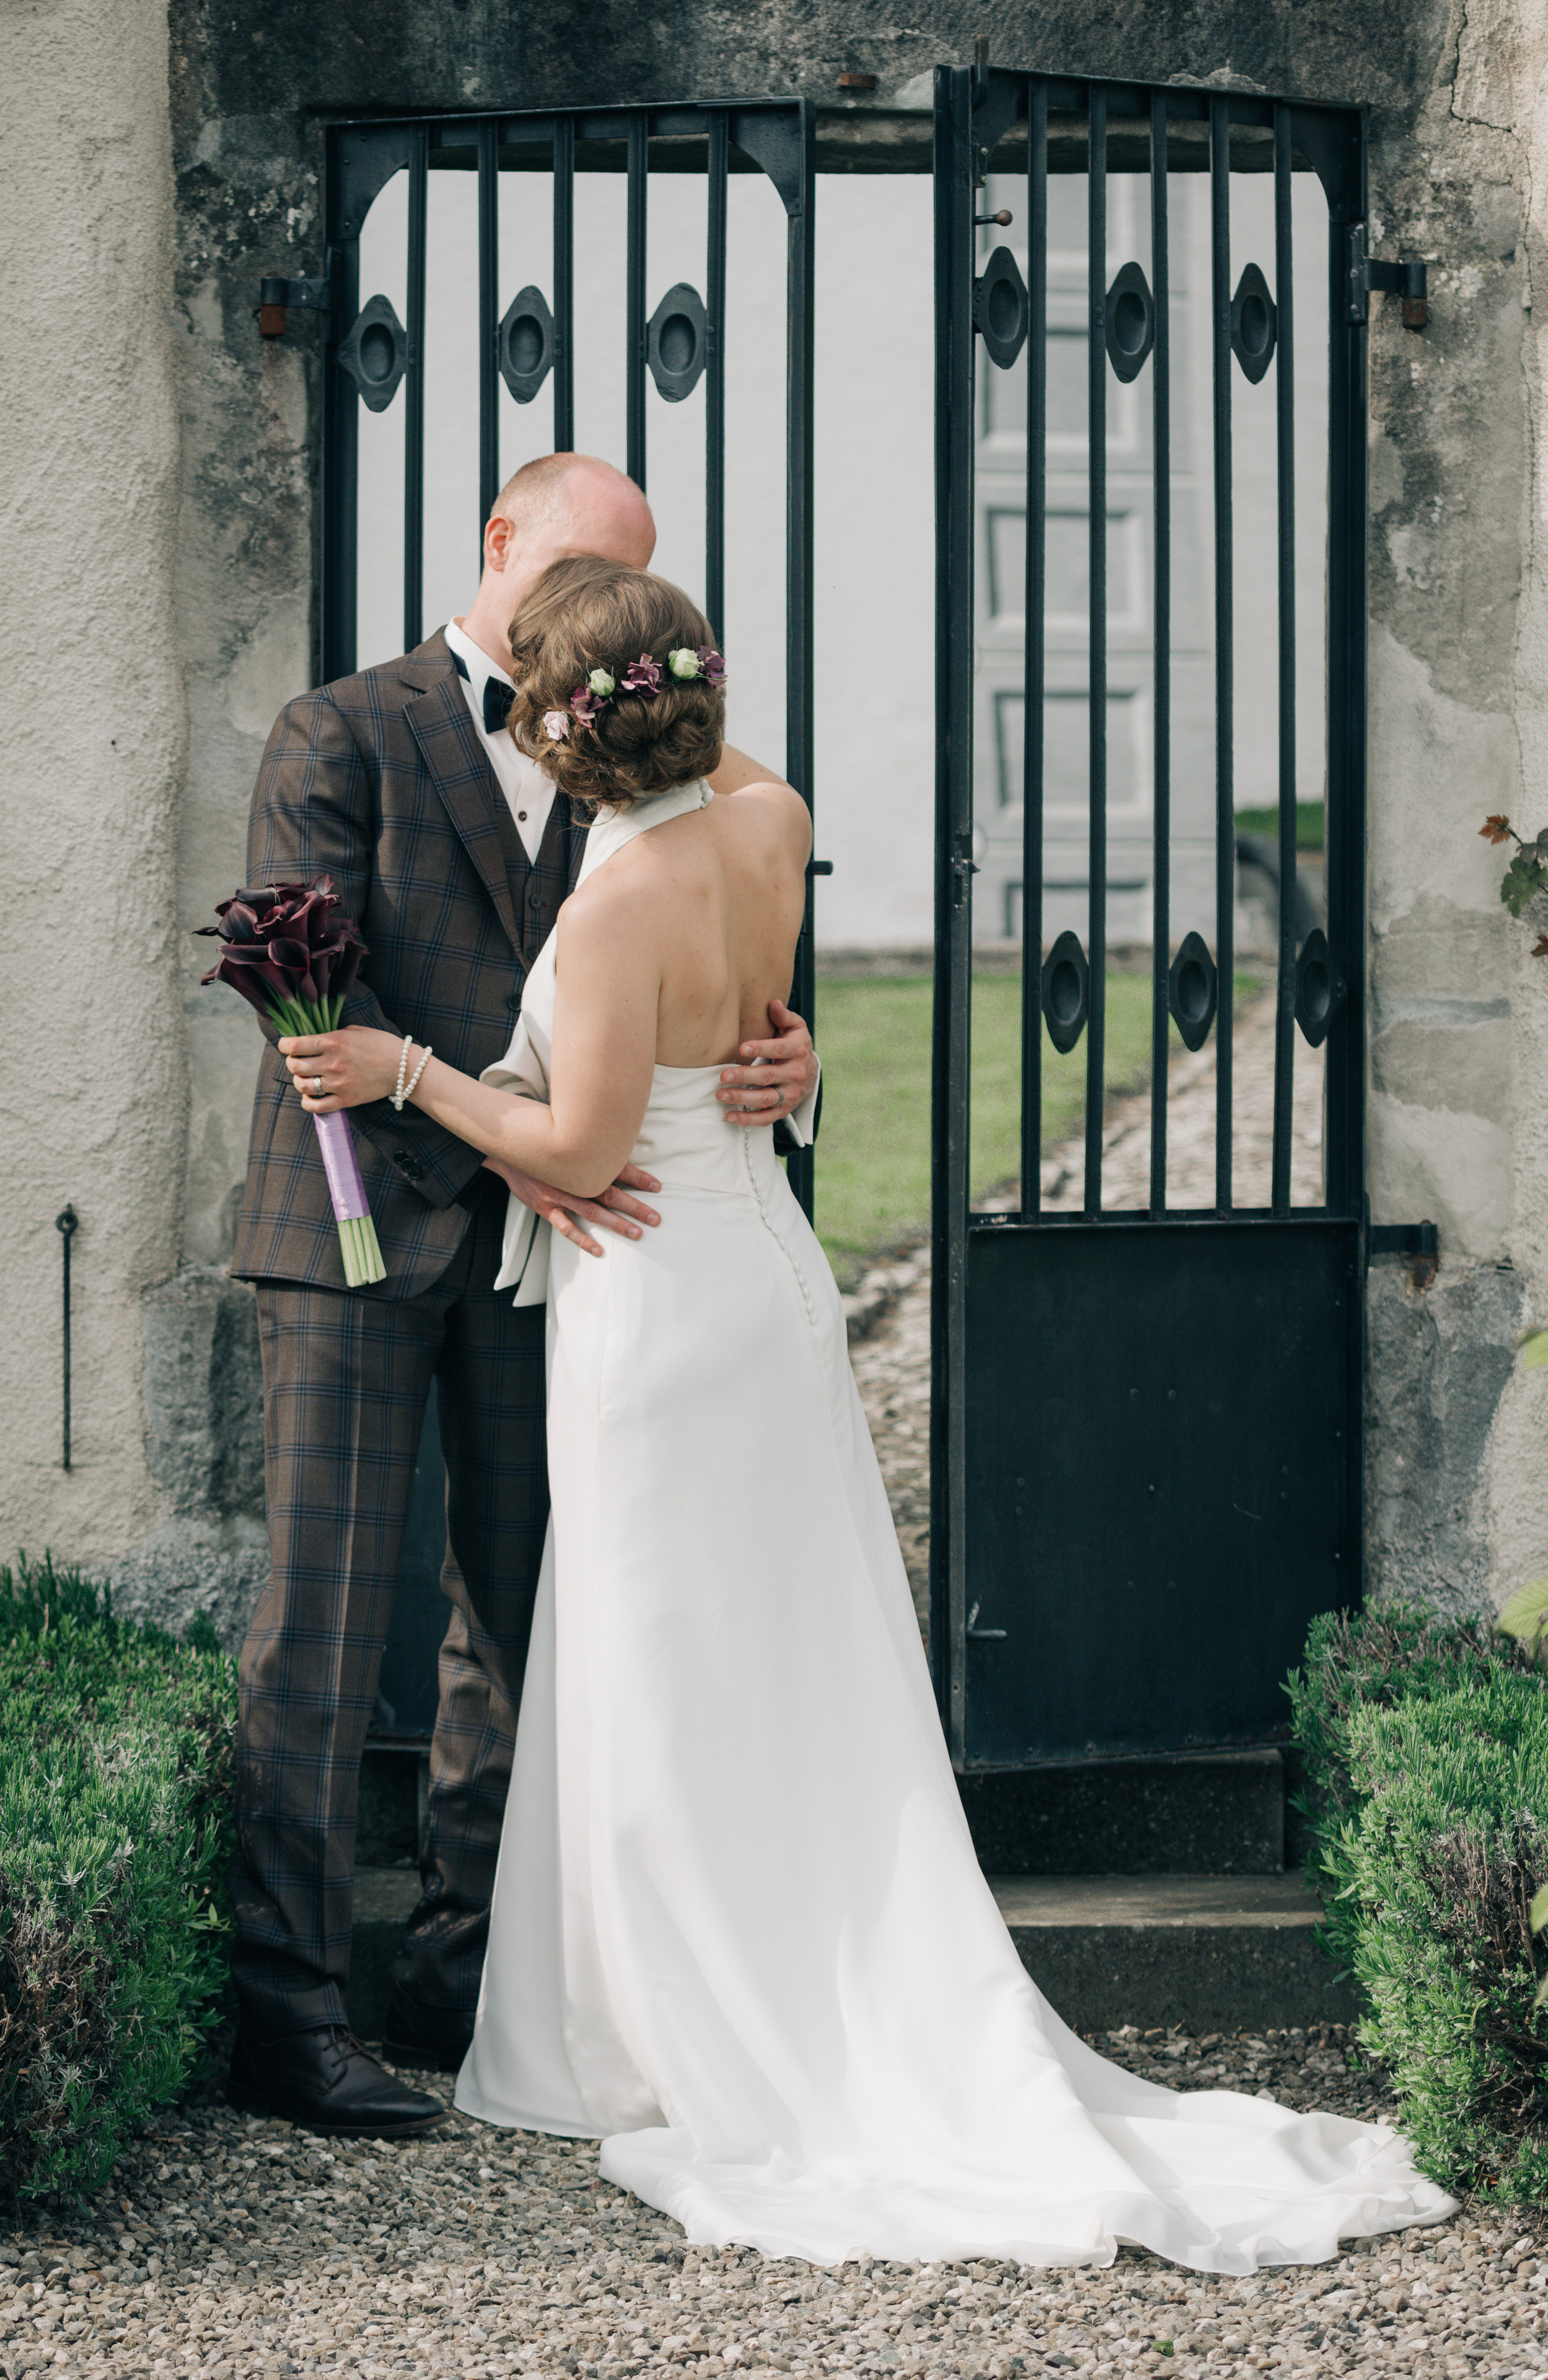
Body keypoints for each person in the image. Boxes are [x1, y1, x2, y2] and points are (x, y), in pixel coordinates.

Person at [278, 554, 1456, 2268]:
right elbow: (726, 1001)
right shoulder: (767, 824)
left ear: (556, 724)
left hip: (663, 1305)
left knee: (669, 1662)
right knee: (788, 1651)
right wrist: (790, 1056)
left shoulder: (611, 909)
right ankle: (766, 1962)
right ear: (698, 688)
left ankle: (688, 2028)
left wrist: (407, 1074)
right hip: (761, 1282)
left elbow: (580, 1156)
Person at [226, 457, 817, 2140]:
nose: (576, 633)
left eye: (614, 595)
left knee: (520, 1615)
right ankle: (289, 2007)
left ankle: (465, 1970)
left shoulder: (616, 735)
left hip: (562, 1234)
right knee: (323, 1629)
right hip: (358, 1236)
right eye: (563, 579)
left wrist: (782, 1048)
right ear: (497, 546)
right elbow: (313, 998)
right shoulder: (340, 729)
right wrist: (521, 1141)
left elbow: (701, 942)